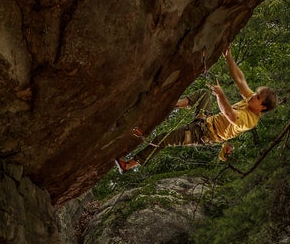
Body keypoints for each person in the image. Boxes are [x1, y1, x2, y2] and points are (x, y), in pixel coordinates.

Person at [115, 47, 277, 172]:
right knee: (204, 94)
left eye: (257, 97)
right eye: (255, 93)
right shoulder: (250, 101)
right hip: (205, 121)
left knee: (161, 140)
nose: (252, 96)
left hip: (202, 135)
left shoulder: (250, 120)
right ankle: (172, 105)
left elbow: (230, 115)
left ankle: (129, 164)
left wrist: (220, 95)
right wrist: (229, 57)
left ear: (262, 107)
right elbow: (240, 80)